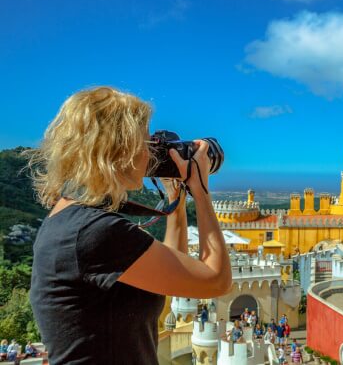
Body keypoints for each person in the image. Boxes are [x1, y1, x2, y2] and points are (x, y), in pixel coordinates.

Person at [27, 86, 232, 364]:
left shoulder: (71, 219)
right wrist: (201, 190)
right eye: (145, 143)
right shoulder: (94, 231)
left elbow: (172, 278)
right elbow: (216, 281)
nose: (150, 155)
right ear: (119, 149)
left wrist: (178, 201)